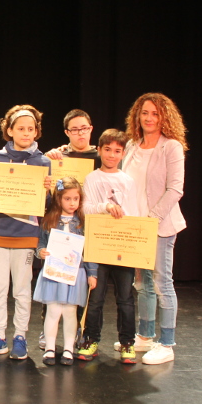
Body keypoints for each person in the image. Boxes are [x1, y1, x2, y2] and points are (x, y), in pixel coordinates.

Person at [0, 105, 51, 360]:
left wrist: (48, 190)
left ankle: (20, 336)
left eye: (31, 129)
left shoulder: (42, 162)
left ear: (36, 131)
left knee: (21, 290)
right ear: (10, 130)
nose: (26, 133)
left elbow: (46, 203)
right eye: (21, 128)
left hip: (26, 235)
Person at [121, 93, 187, 365]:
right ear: (137, 115)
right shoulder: (131, 145)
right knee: (142, 283)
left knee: (161, 283)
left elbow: (175, 190)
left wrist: (152, 219)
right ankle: (145, 336)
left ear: (165, 117)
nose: (149, 118)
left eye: (155, 114)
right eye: (145, 113)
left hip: (158, 227)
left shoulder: (171, 147)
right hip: (135, 227)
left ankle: (167, 343)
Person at [76, 129, 140, 364]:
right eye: (107, 150)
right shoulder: (92, 178)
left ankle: (127, 343)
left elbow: (134, 214)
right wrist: (105, 206)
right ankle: (91, 339)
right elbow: (85, 209)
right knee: (95, 298)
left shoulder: (128, 181)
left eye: (117, 151)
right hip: (98, 245)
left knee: (125, 299)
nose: (112, 155)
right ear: (100, 150)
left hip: (122, 246)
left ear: (123, 154)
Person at [39, 108, 100, 350]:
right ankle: (47, 334)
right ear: (67, 132)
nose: (80, 133)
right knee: (53, 284)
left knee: (79, 290)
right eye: (75, 129)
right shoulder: (58, 156)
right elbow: (45, 190)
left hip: (87, 226)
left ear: (91, 128)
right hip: (58, 227)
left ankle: (76, 335)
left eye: (84, 128)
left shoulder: (99, 156)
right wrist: (47, 158)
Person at [34, 177, 95, 365]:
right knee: (53, 311)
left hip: (75, 274)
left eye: (75, 199)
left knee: (70, 312)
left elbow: (89, 251)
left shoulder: (83, 222)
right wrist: (40, 252)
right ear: (59, 199)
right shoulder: (49, 221)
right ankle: (50, 348)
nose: (72, 203)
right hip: (54, 272)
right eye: (67, 199)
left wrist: (92, 273)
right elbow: (41, 243)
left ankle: (69, 348)